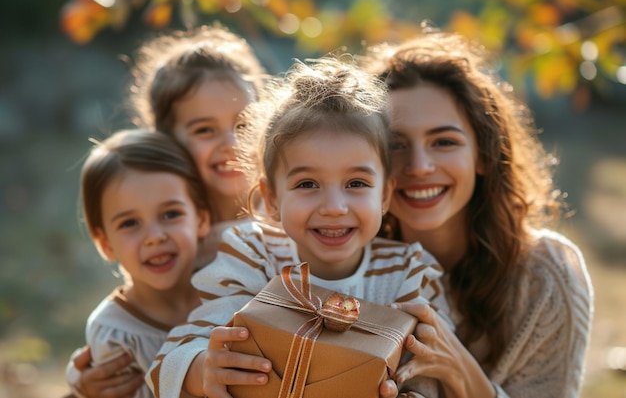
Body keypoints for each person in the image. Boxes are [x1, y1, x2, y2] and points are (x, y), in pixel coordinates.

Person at [145, 56, 452, 398]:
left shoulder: (409, 275)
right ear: (272, 198)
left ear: (385, 195)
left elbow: (435, 374)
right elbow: (167, 361)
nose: (334, 207)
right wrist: (203, 369)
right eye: (307, 184)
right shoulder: (253, 256)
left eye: (356, 183)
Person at [359, 27, 594, 398]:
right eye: (395, 144)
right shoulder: (340, 267)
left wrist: (459, 370)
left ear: (484, 155)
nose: (419, 166)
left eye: (444, 142)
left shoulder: (547, 276)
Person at [66, 24, 268, 398]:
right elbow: (138, 332)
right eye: (205, 130)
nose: (231, 144)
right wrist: (80, 389)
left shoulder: (287, 221)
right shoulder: (176, 241)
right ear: (166, 141)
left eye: (244, 124)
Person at [66, 128, 211, 398]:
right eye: (129, 223)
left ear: (201, 219)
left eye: (170, 214)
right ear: (105, 243)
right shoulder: (113, 333)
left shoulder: (234, 289)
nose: (154, 237)